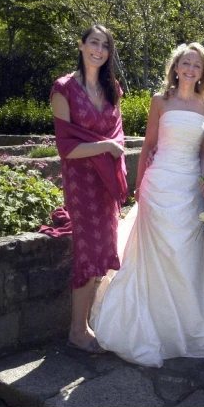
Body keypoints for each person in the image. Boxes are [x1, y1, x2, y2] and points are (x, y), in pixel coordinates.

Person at [91, 43, 204, 368]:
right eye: (186, 63)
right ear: (176, 67)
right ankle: (149, 326)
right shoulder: (159, 101)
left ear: (202, 71)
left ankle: (185, 327)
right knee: (152, 259)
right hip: (158, 186)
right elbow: (149, 144)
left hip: (189, 188)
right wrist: (139, 190)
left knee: (185, 258)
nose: (191, 69)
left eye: (197, 65)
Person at [49, 24, 127, 354]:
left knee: (102, 254)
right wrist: (106, 146)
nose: (99, 49)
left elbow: (119, 138)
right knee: (87, 252)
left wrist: (110, 149)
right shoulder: (63, 88)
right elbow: (67, 148)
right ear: (80, 45)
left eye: (105, 45)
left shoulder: (113, 89)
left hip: (105, 182)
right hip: (81, 183)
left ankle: (87, 324)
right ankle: (76, 331)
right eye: (93, 42)